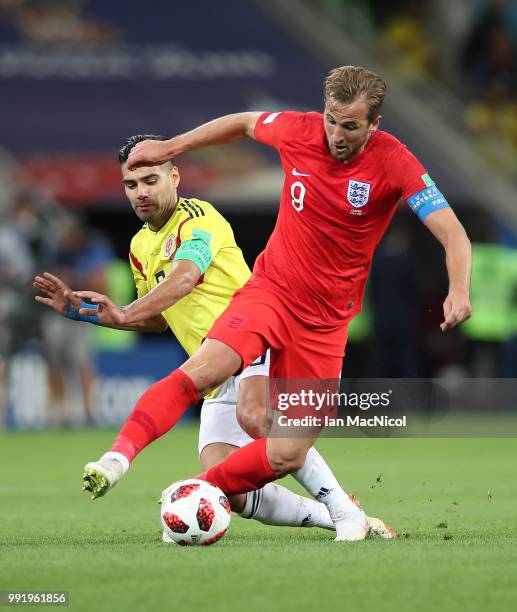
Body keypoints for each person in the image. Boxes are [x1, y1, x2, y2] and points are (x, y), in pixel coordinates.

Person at [70, 65, 471, 542]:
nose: (336, 135)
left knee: (286, 453)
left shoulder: (395, 162)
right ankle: (119, 462)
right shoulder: (298, 130)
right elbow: (242, 122)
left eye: (350, 126)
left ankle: (217, 495)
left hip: (326, 323)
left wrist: (459, 289)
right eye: (331, 120)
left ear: (374, 125)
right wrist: (172, 147)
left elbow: (452, 232)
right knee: (200, 374)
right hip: (270, 292)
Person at [34, 134, 393, 541]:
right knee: (232, 493)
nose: (141, 193)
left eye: (150, 180)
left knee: (256, 419)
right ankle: (340, 516)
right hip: (214, 373)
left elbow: (186, 276)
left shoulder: (199, 219)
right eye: (131, 186)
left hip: (255, 341)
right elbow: (158, 319)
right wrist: (90, 315)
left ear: (174, 176)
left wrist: (128, 310)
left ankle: (343, 509)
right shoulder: (139, 246)